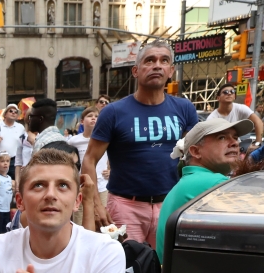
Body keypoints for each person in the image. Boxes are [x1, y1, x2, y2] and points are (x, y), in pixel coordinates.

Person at [83, 39, 199, 248]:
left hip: (170, 204)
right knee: (127, 271)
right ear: (136, 71)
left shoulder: (184, 108)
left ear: (171, 70)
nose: (157, 65)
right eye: (150, 60)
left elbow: (197, 157)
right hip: (125, 206)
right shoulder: (113, 112)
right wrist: (96, 205)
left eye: (164, 61)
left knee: (164, 270)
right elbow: (89, 159)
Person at [156, 118, 251, 260]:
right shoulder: (214, 183)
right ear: (195, 151)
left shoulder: (192, 181)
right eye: (222, 137)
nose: (235, 143)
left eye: (236, 137)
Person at [67, 105, 110, 227]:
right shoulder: (73, 141)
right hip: (80, 185)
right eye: (90, 116)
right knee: (79, 219)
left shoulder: (105, 140)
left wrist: (111, 170)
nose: (93, 118)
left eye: (96, 116)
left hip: (102, 186)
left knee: (102, 220)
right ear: (82, 121)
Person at [0, 104, 26, 174]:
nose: (13, 113)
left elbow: (23, 145)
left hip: (14, 161)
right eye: (10, 111)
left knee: (13, 183)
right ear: (5, 114)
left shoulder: (21, 127)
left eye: (16, 112)